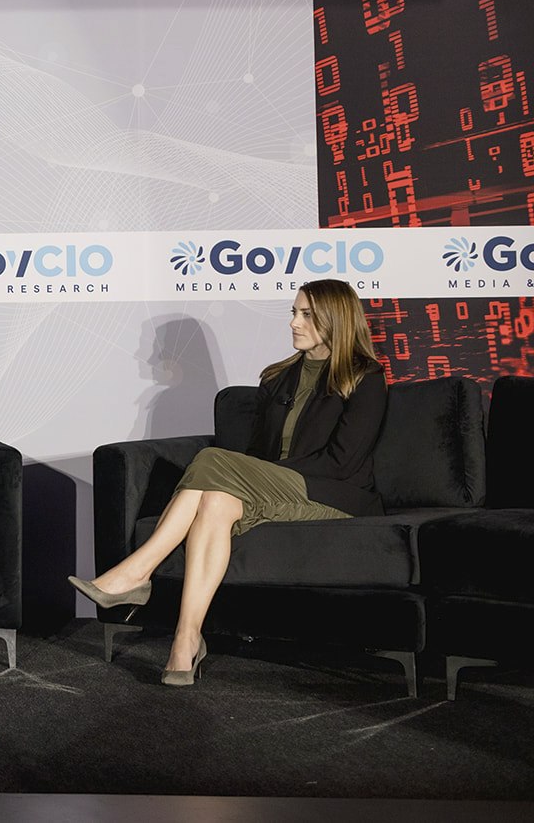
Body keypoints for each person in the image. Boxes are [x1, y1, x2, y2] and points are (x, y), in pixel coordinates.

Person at [70, 278, 389, 686]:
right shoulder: (277, 378)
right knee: (215, 502)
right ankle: (186, 641)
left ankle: (138, 571)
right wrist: (257, 478)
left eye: (306, 315)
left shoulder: (365, 377)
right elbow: (257, 454)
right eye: (294, 312)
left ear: (335, 319)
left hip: (334, 495)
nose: (294, 322)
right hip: (275, 491)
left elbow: (343, 463)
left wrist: (265, 477)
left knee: (211, 459)